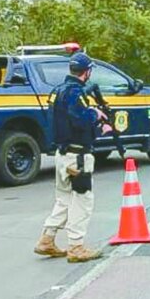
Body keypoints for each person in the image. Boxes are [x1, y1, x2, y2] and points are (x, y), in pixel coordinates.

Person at [33, 52, 113, 263]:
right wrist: (96, 116)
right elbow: (80, 120)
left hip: (61, 153)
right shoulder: (76, 94)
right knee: (82, 200)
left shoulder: (57, 91)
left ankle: (47, 239)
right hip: (77, 156)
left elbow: (62, 120)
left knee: (64, 199)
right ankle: (76, 247)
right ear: (86, 72)